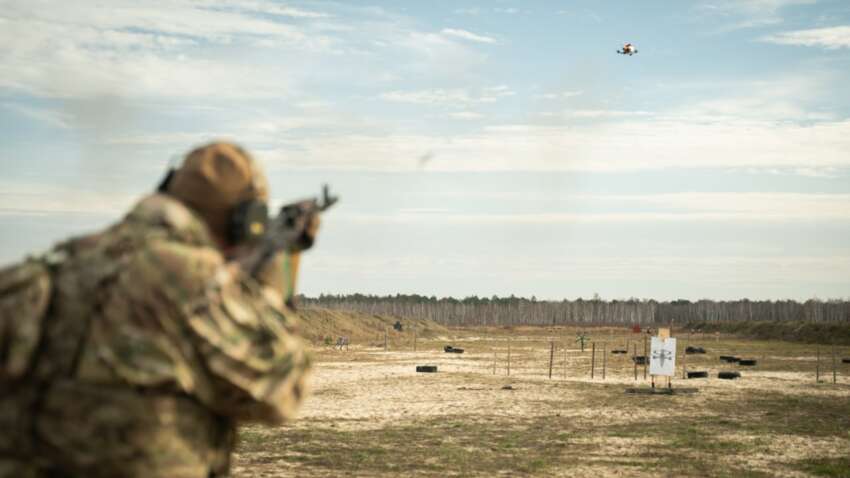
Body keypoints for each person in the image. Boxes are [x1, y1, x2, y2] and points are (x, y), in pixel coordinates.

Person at [0, 142, 315, 477]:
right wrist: (269, 282)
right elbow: (282, 391)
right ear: (245, 222)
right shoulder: (194, 281)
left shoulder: (50, 267)